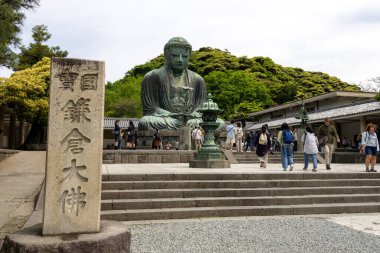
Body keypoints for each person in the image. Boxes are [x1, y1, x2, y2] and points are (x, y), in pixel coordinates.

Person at [139, 37, 224, 130]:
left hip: (190, 120)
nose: (180, 60)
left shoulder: (197, 79)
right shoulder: (153, 76)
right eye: (175, 55)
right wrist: (171, 115)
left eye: (184, 56)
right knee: (145, 122)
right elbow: (150, 109)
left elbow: (200, 109)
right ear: (166, 55)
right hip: (167, 119)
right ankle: (183, 125)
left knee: (220, 123)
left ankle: (185, 125)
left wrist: (189, 116)